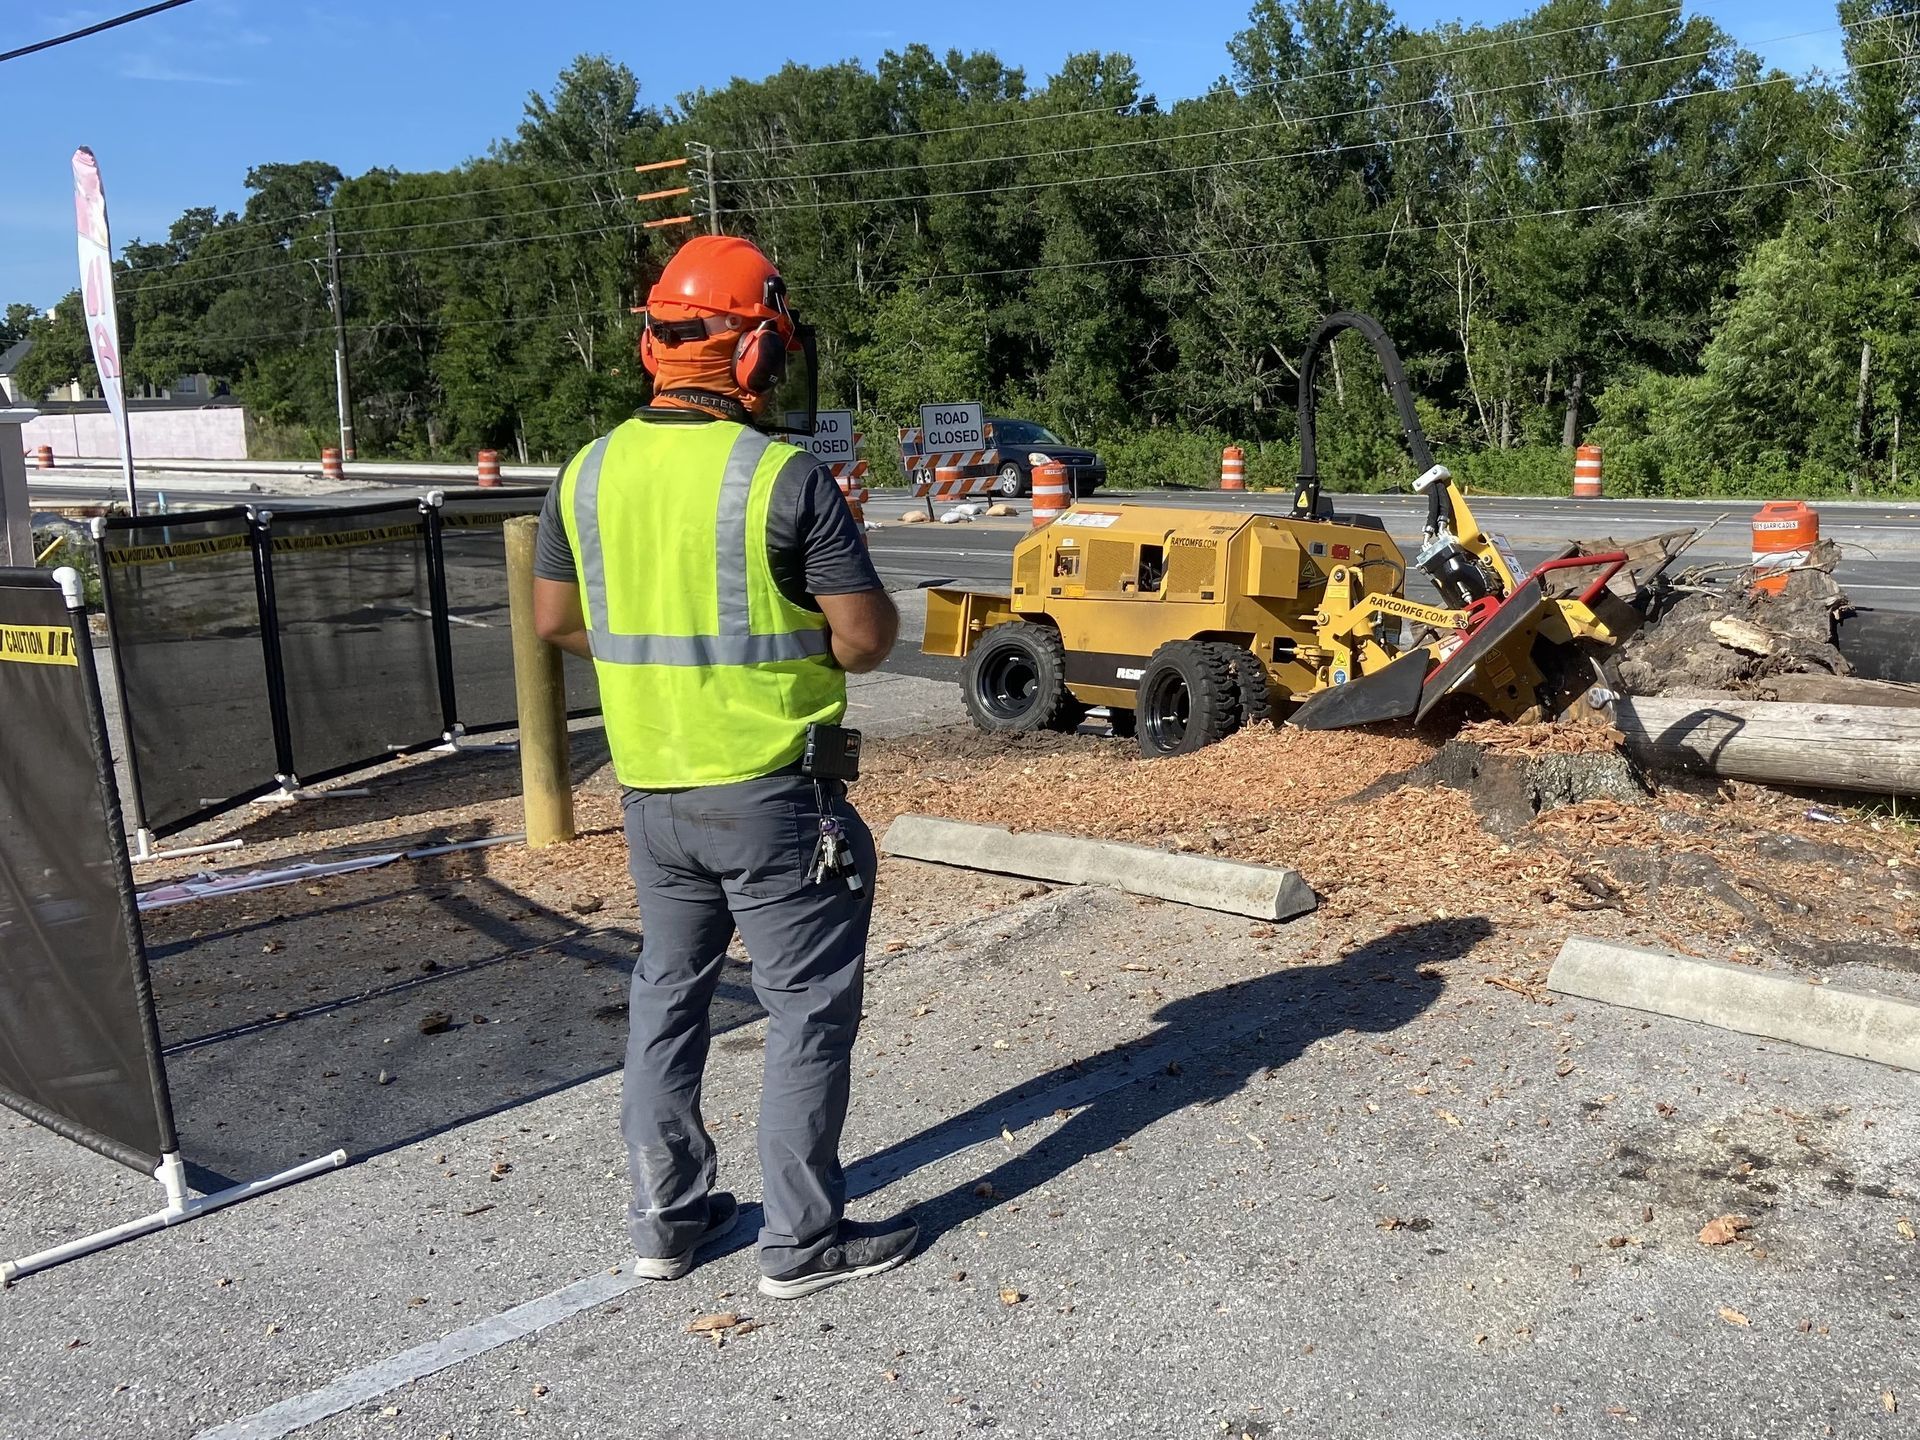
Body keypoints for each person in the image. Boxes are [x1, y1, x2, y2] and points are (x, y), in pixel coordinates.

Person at [531, 234, 916, 1299]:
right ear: (750, 353)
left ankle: (669, 1216)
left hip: (652, 791)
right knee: (806, 1009)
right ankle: (801, 1241)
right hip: (775, 791)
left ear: (657, 344)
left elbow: (555, 619)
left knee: (669, 993)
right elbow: (868, 636)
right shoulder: (782, 478)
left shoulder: (589, 469)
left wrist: (671, 660)